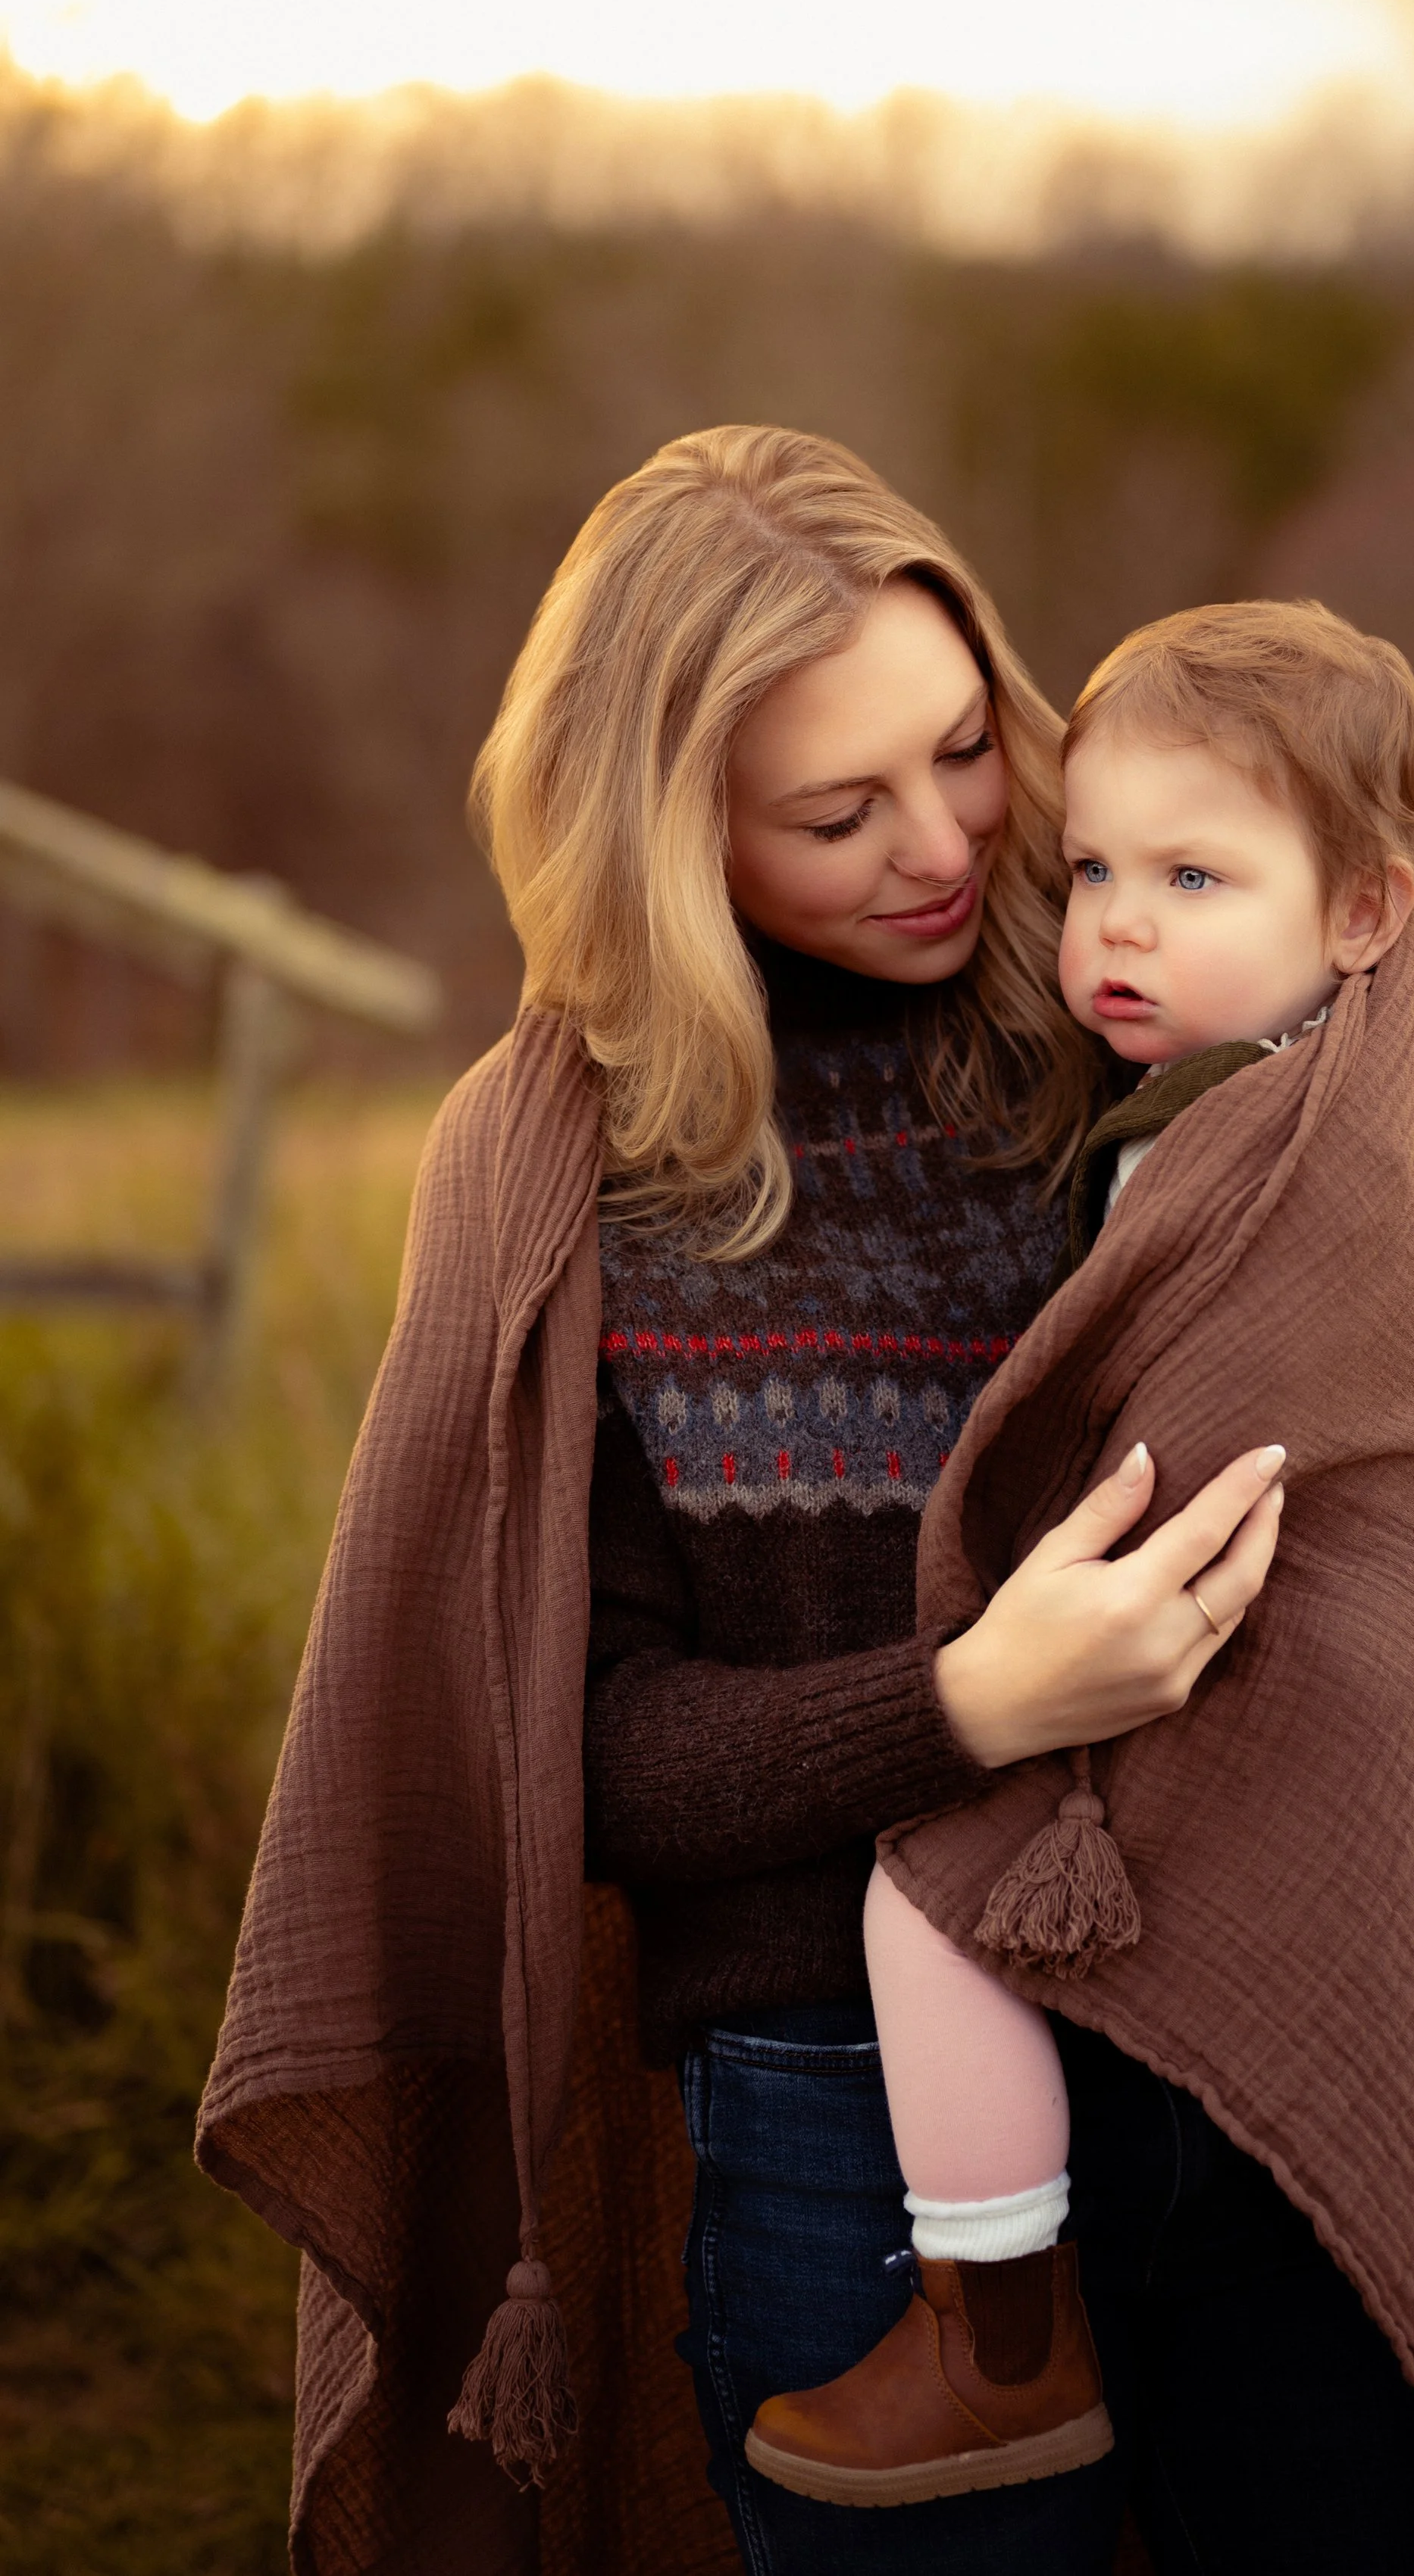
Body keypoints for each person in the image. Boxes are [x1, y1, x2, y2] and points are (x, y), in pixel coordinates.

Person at [197, 427, 1291, 2576]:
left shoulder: (1121, 1028)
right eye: (835, 811)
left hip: (1224, 2041)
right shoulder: (577, 1166)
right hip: (837, 2106)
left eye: (965, 749)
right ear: (669, 826)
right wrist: (967, 1702)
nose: (943, 844)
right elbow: (577, 1756)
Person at [809, 604, 1414, 2574]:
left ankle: (991, 2325)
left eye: (1195, 879)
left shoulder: (1242, 1162)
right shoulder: (1341, 1127)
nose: (1117, 929)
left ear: (1367, 911)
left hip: (1264, 1809)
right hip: (1250, 1791)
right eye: (1093, 873)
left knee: (926, 1888)